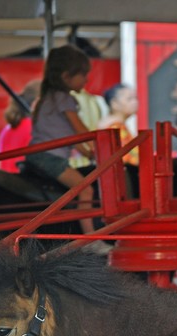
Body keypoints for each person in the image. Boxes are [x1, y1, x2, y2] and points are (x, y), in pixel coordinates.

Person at [25, 44, 109, 253]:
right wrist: (96, 141)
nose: (86, 80)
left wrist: (89, 153)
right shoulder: (64, 98)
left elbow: (72, 138)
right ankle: (90, 240)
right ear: (66, 76)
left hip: (40, 155)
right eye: (83, 75)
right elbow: (80, 131)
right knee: (86, 189)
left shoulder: (50, 97)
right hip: (48, 158)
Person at [0, 79, 41, 173]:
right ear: (37, 102)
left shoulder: (9, 127)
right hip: (23, 181)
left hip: (5, 180)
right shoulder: (34, 127)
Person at [98, 83, 139, 165]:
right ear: (114, 103)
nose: (135, 102)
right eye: (129, 99)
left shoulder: (116, 124)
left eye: (135, 98)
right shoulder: (114, 127)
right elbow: (128, 160)